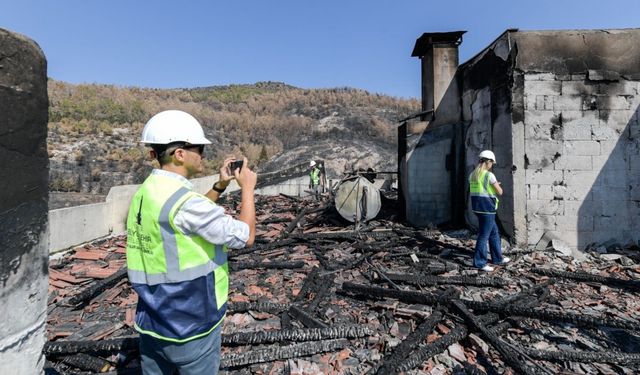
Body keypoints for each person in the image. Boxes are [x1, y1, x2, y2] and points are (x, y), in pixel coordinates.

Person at [125, 109, 256, 374]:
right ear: (180, 154)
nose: (203, 155)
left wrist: (220, 185)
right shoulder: (185, 203)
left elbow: (185, 219)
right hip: (190, 324)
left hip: (152, 320)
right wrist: (247, 188)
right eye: (199, 149)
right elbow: (246, 235)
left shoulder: (147, 192)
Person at [469, 150, 510, 272]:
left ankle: (497, 258)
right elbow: (500, 192)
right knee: (484, 235)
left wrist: (494, 184)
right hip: (487, 209)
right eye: (492, 162)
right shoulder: (489, 175)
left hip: (478, 208)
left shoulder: (472, 175)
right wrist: (496, 184)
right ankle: (479, 263)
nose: (492, 165)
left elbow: (482, 188)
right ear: (488, 161)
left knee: (494, 233)